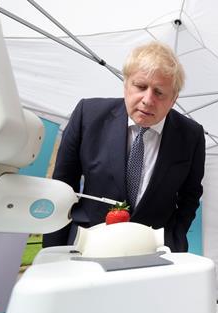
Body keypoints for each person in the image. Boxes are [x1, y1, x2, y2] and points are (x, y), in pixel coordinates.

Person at [43, 41, 206, 252]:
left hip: (155, 251)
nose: (147, 100)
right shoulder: (88, 115)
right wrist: (53, 251)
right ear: (126, 84)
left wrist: (174, 236)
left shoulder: (190, 135)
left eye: (159, 92)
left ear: (173, 99)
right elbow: (63, 186)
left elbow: (191, 194)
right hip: (89, 243)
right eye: (140, 86)